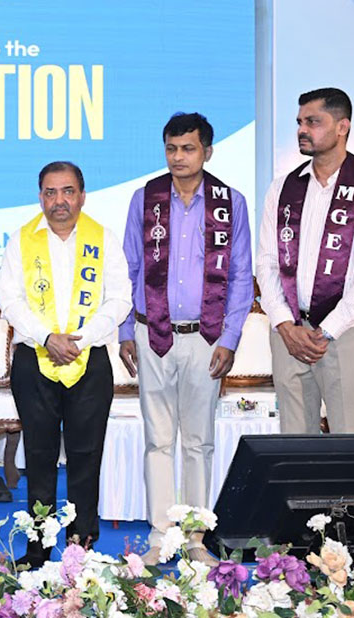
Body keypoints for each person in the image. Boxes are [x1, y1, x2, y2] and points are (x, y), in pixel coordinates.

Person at [117, 113, 253, 565]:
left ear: (207, 152)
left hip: (206, 336)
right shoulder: (146, 198)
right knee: (158, 440)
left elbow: (240, 275)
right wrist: (125, 329)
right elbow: (129, 267)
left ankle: (195, 538)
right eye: (171, 149)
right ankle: (161, 537)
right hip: (152, 331)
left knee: (198, 442)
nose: (178, 157)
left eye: (188, 149)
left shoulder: (230, 203)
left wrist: (230, 337)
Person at [0, 161, 131, 564]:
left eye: (68, 191)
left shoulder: (102, 238)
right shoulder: (21, 240)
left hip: (89, 359)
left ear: (82, 196)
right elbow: (10, 299)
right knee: (38, 456)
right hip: (34, 360)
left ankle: (81, 547)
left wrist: (80, 340)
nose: (60, 200)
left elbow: (120, 299)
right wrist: (47, 338)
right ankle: (37, 548)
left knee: (86, 456)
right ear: (40, 197)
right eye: (51, 192)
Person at [257, 88, 354, 434]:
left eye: (313, 122)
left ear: (342, 127)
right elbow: (267, 264)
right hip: (290, 334)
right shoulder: (282, 189)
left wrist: (327, 330)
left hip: (345, 333)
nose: (302, 130)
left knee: (349, 441)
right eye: (300, 122)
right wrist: (285, 325)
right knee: (294, 444)